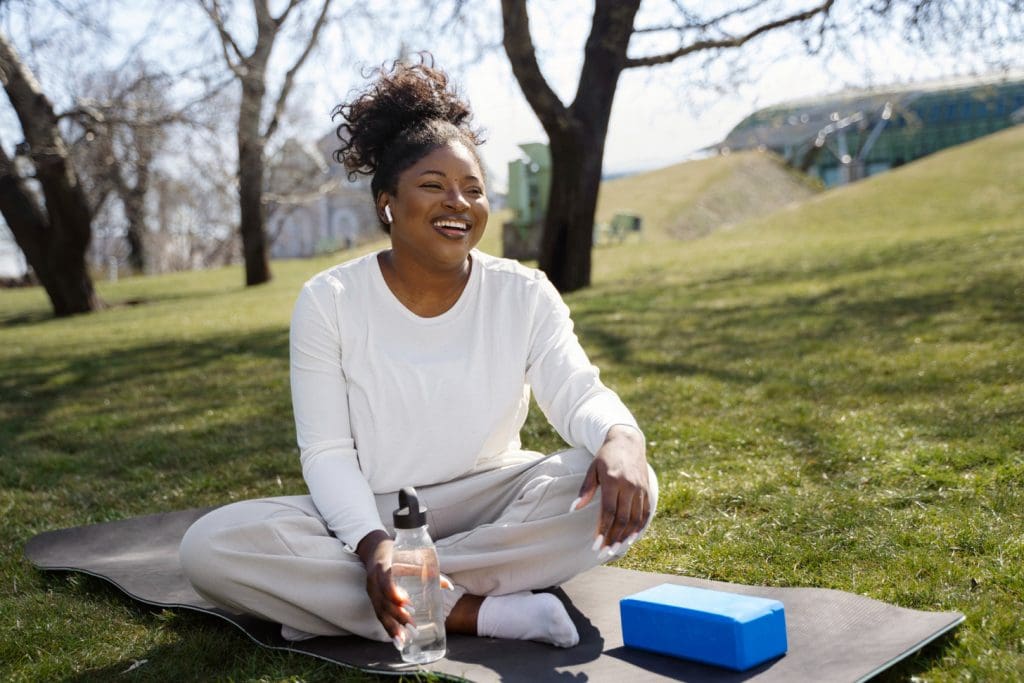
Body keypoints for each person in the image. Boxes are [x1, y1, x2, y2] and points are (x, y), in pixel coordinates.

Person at [179, 56, 657, 651]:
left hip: (494, 498)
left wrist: (623, 439)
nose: (458, 203)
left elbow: (578, 392)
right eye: (433, 186)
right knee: (212, 546)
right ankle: (477, 612)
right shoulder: (329, 300)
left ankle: (355, 600)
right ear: (387, 203)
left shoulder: (524, 292)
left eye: (473, 189)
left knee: (622, 486)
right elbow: (327, 452)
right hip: (375, 510)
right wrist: (375, 545)